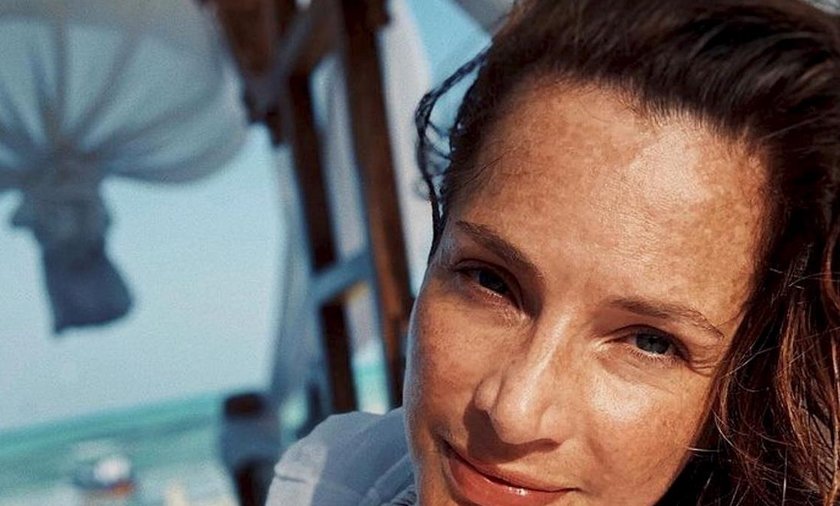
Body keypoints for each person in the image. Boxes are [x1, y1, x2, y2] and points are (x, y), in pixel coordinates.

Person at [267, 0, 840, 504]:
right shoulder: (332, 480)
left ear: (747, 381)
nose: (513, 414)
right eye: (491, 282)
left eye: (649, 341)